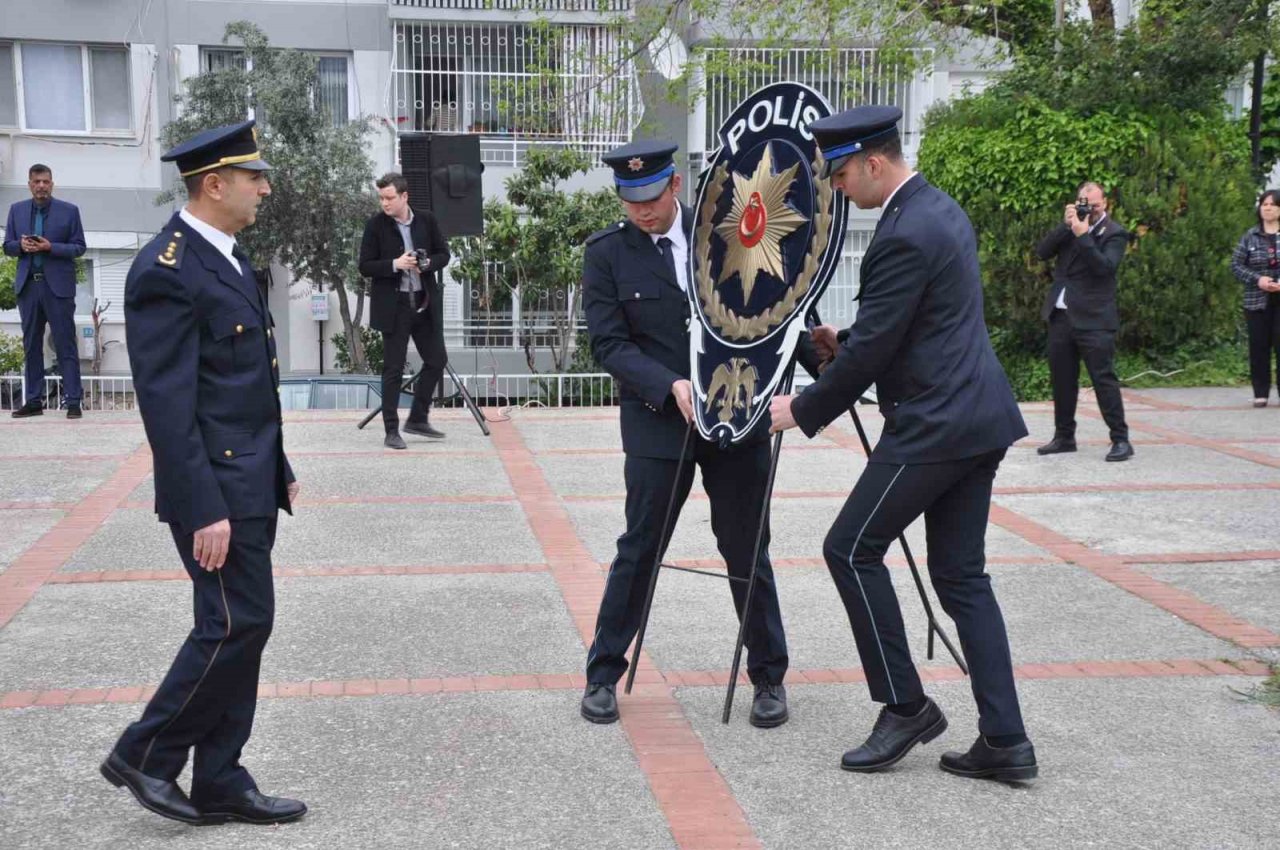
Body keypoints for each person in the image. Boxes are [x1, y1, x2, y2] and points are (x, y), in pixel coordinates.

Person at [769, 105, 1037, 782]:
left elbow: (875, 354)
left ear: (873, 163)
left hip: (934, 425)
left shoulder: (904, 232)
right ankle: (1006, 740)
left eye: (840, 175)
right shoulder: (936, 209)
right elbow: (917, 322)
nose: (836, 188)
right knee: (961, 577)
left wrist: (800, 410)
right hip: (977, 418)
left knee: (849, 548)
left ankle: (905, 705)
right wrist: (845, 339)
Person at [100, 120, 306, 826]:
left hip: (250, 477)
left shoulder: (229, 258)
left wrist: (278, 465)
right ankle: (145, 752)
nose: (265, 188)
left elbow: (242, 383)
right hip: (214, 488)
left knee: (244, 625)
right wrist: (202, 506)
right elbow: (168, 405)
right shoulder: (166, 271)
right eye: (254, 177)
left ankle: (220, 777)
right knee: (232, 624)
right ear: (214, 184)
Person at [579, 140, 790, 728]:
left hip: (735, 415)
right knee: (640, 546)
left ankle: (768, 677)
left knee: (746, 547)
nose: (642, 210)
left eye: (651, 197)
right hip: (657, 420)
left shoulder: (727, 235)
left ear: (675, 185)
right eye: (630, 200)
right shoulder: (607, 254)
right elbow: (609, 343)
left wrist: (814, 357)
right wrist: (668, 384)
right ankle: (602, 673)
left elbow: (771, 306)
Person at [1035, 182, 1133, 461]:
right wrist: (1066, 226)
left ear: (1105, 203)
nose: (1090, 209)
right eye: (1084, 204)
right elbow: (1042, 252)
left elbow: (1104, 268)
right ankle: (1064, 436)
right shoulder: (1071, 227)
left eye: (1095, 205)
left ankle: (1121, 439)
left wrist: (1083, 235)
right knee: (1062, 380)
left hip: (1094, 319)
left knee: (1103, 379)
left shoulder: (1114, 233)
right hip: (1062, 315)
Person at [358, 172, 451, 449]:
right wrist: (394, 264)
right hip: (394, 307)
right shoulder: (375, 225)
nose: (384, 203)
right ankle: (391, 431)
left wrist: (428, 264)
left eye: (389, 198)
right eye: (381, 198)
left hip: (424, 303)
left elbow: (444, 254)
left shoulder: (427, 220)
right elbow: (365, 266)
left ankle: (418, 418)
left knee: (437, 360)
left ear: (404, 196)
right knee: (393, 370)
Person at [3, 164, 87, 418]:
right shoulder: (16, 210)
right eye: (37, 181)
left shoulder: (69, 211)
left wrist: (51, 247)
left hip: (58, 288)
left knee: (65, 344)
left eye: (46, 181)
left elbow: (79, 247)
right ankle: (33, 401)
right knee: (31, 345)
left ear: (52, 184)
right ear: (29, 184)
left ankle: (73, 401)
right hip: (29, 286)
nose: (41, 186)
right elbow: (7, 246)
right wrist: (21, 246)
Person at [1230, 189, 1280, 407]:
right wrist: (1258, 279)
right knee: (1258, 347)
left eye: (1272, 204)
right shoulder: (1250, 236)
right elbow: (1236, 265)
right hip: (1256, 300)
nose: (1267, 208)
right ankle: (1260, 393)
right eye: (1264, 204)